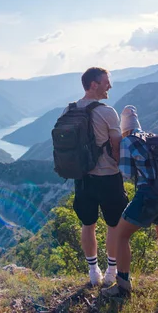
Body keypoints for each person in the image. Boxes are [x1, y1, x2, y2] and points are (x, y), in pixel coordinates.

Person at [102, 105, 158, 300]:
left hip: (148, 195)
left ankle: (123, 287)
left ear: (124, 128)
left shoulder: (128, 141)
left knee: (120, 235)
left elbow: (127, 174)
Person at [66, 67, 128, 286]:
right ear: (94, 84)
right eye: (106, 82)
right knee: (114, 225)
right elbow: (117, 146)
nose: (109, 86)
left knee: (87, 224)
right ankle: (111, 271)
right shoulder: (107, 112)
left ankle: (93, 272)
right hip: (108, 177)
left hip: (82, 179)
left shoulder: (70, 110)